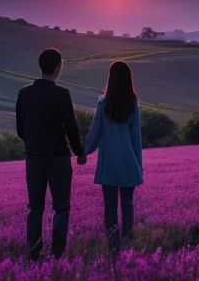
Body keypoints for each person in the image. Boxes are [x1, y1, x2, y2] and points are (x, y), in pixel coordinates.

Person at [16, 47, 86, 259]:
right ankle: (57, 255)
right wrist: (79, 152)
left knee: (35, 207)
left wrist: (33, 144)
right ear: (58, 67)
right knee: (61, 208)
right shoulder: (62, 94)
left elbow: (20, 129)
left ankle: (34, 255)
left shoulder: (24, 93)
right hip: (58, 158)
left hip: (34, 158)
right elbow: (71, 127)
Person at [84, 60, 143, 252]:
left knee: (109, 207)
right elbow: (137, 139)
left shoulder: (103, 103)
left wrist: (83, 152)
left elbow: (95, 133)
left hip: (108, 163)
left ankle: (112, 245)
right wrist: (139, 168)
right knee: (128, 204)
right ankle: (128, 242)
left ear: (111, 77)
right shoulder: (132, 104)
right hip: (128, 162)